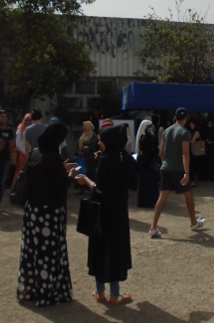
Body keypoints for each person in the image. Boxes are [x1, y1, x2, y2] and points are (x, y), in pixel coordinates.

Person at [76, 124, 138, 306]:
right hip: (119, 212)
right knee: (117, 249)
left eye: (101, 140)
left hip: (102, 211)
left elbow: (99, 189)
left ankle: (101, 291)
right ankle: (115, 293)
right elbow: (134, 185)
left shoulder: (105, 159)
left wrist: (85, 180)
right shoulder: (128, 159)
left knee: (100, 248)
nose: (99, 143)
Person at [17, 122, 78, 306]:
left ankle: (31, 289)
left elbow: (43, 175)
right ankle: (48, 293)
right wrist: (71, 174)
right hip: (49, 211)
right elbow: (61, 183)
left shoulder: (36, 153)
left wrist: (62, 168)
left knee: (33, 252)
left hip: (33, 209)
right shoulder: (52, 156)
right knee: (48, 254)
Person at [148, 108, 206, 238]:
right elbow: (185, 153)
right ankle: (193, 223)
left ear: (175, 117)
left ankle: (153, 227)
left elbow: (161, 153)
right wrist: (187, 173)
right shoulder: (185, 132)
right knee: (188, 195)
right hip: (179, 169)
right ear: (185, 119)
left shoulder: (166, 131)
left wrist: (165, 163)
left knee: (162, 197)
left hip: (166, 167)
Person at [0, 110, 15, 215]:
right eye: (2, 116)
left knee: (1, 182)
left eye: (5, 117)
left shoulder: (9, 131)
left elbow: (11, 144)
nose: (4, 118)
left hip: (4, 159)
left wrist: (10, 157)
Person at [134, 118, 160, 208]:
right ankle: (152, 201)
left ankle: (143, 202)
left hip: (143, 165)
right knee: (151, 184)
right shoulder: (151, 139)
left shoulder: (141, 138)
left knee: (144, 184)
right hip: (151, 165)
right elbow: (154, 151)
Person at [13, 113, 32, 185]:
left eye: (29, 120)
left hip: (31, 153)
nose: (27, 122)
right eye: (26, 120)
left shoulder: (33, 129)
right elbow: (18, 144)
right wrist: (25, 152)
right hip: (22, 153)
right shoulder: (20, 129)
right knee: (21, 171)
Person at [188, 119, 203, 187]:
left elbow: (192, 141)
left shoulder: (196, 132)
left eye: (192, 124)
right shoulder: (190, 131)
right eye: (190, 124)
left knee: (191, 166)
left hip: (194, 152)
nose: (191, 126)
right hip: (191, 151)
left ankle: (192, 181)